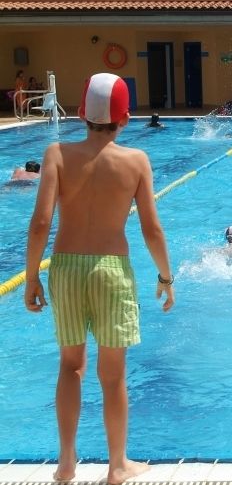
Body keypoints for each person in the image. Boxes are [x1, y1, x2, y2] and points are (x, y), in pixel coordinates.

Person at [24, 73, 174, 484]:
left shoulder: (56, 154)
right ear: (125, 118)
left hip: (66, 269)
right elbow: (151, 229)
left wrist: (32, 277)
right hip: (112, 271)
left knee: (70, 366)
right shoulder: (136, 161)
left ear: (80, 113)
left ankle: (66, 463)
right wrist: (166, 276)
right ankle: (117, 465)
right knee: (112, 375)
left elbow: (40, 224)